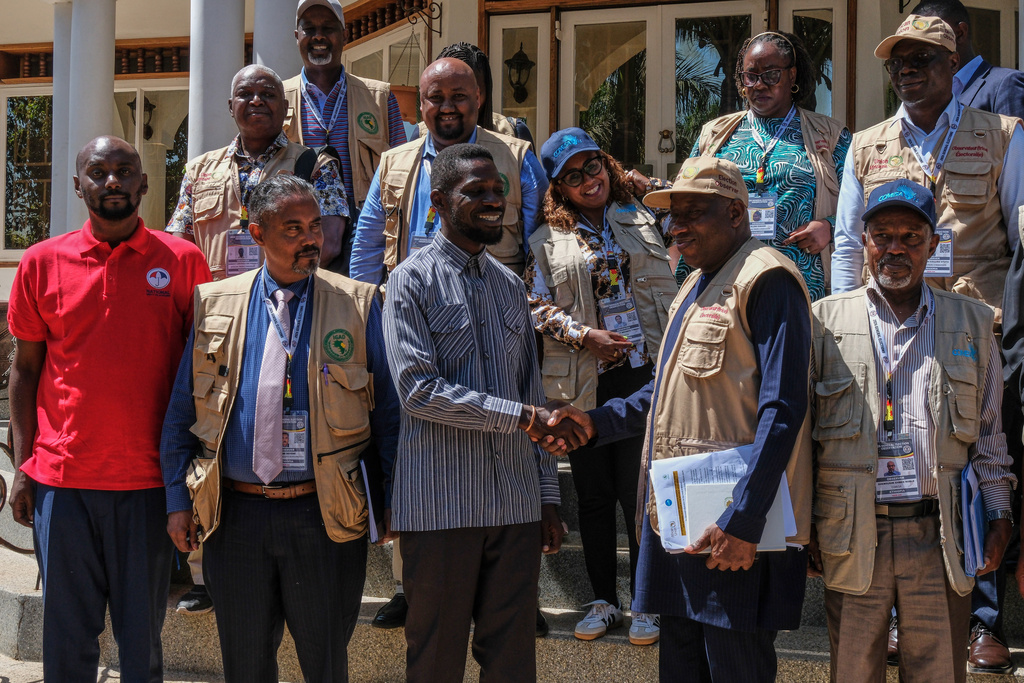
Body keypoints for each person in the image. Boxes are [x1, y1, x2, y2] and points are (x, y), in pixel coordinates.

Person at [542, 156, 814, 681]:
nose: (676, 226)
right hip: (679, 523)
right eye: (672, 215)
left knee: (735, 667)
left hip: (732, 530)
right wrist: (596, 422)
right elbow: (662, 393)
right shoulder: (692, 284)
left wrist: (745, 519)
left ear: (737, 213)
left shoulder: (768, 280)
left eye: (694, 212)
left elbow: (784, 411)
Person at [160, 175, 400, 682]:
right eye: (292, 228)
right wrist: (177, 501)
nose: (310, 238)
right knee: (245, 665)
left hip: (325, 516)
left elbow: (388, 415)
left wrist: (393, 500)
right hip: (235, 517)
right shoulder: (214, 302)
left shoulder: (358, 303)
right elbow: (182, 410)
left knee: (325, 662)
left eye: (314, 226)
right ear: (257, 232)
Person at [7, 135, 211, 681]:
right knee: (66, 643)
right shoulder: (41, 263)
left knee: (141, 647)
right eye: (99, 172)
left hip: (149, 486)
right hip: (63, 483)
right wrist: (24, 468)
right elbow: (24, 372)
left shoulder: (184, 262)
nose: (113, 181)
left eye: (125, 171)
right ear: (79, 186)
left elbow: (207, 377)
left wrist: (193, 481)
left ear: (145, 183)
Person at [382, 143, 580, 681]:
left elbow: (533, 393)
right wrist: (517, 417)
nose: (493, 200)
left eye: (499, 190)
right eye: (477, 191)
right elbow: (418, 390)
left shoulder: (511, 286)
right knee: (436, 660)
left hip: (515, 509)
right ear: (440, 202)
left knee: (513, 660)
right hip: (442, 510)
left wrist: (545, 496)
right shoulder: (409, 281)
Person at [808, 179, 1014, 682]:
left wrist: (1000, 512)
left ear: (934, 246)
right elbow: (801, 440)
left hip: (941, 534)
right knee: (853, 672)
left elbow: (988, 436)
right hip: (852, 531)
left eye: (910, 237)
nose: (895, 248)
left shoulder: (973, 323)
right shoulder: (823, 321)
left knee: (939, 672)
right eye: (883, 235)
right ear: (864, 242)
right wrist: (801, 527)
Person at [524, 127, 677, 645]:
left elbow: (688, 207)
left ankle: (645, 602)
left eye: (593, 167)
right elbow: (534, 306)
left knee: (639, 494)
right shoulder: (545, 240)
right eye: (573, 175)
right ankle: (601, 600)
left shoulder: (646, 217)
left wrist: (642, 180)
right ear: (559, 188)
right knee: (593, 495)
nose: (588, 180)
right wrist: (584, 335)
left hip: (641, 373)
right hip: (583, 381)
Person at [908, 1, 1024, 673]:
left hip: (979, 329)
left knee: (985, 471)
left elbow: (1016, 234)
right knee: (912, 465)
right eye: (904, 58)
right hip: (905, 326)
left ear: (957, 51)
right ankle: (909, 607)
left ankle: (983, 617)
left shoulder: (1002, 113)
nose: (913, 68)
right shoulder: (882, 139)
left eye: (928, 52)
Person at [831, 14, 1024, 322]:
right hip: (889, 324)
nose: (905, 69)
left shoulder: (1002, 136)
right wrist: (842, 320)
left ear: (953, 63)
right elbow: (849, 246)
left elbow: (1021, 241)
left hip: (979, 321)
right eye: (895, 63)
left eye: (921, 58)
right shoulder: (864, 145)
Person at [651, 30, 849, 301]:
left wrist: (830, 226)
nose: (759, 84)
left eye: (771, 74)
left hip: (799, 279)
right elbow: (685, 199)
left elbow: (862, 203)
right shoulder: (715, 134)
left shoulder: (830, 134)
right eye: (751, 76)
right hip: (726, 278)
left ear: (792, 75)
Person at [350, 57, 547, 283]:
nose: (447, 107)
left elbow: (540, 252)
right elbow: (367, 250)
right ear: (421, 105)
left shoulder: (517, 160)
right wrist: (368, 314)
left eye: (458, 96)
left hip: (491, 311)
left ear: (477, 98)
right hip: (410, 309)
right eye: (435, 98)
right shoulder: (391, 163)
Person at [168, 64, 349, 282]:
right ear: (230, 107)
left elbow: (328, 244)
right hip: (215, 303)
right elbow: (180, 249)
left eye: (267, 94)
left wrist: (272, 289)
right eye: (245, 94)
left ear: (284, 106)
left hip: (285, 302)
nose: (256, 100)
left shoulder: (316, 165)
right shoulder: (198, 171)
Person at [283, 0, 408, 272]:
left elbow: (404, 172)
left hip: (366, 240)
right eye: (309, 29)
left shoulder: (380, 97)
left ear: (345, 34)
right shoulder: (276, 99)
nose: (318, 36)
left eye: (328, 28)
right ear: (297, 37)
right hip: (296, 241)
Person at [912, 0, 1024, 116]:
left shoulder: (1006, 85)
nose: (921, 46)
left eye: (930, 35)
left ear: (960, 32)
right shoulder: (927, 94)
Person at [431, 42, 535, 147]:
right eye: (438, 96)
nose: (448, 108)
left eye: (460, 95)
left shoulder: (514, 133)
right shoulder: (421, 136)